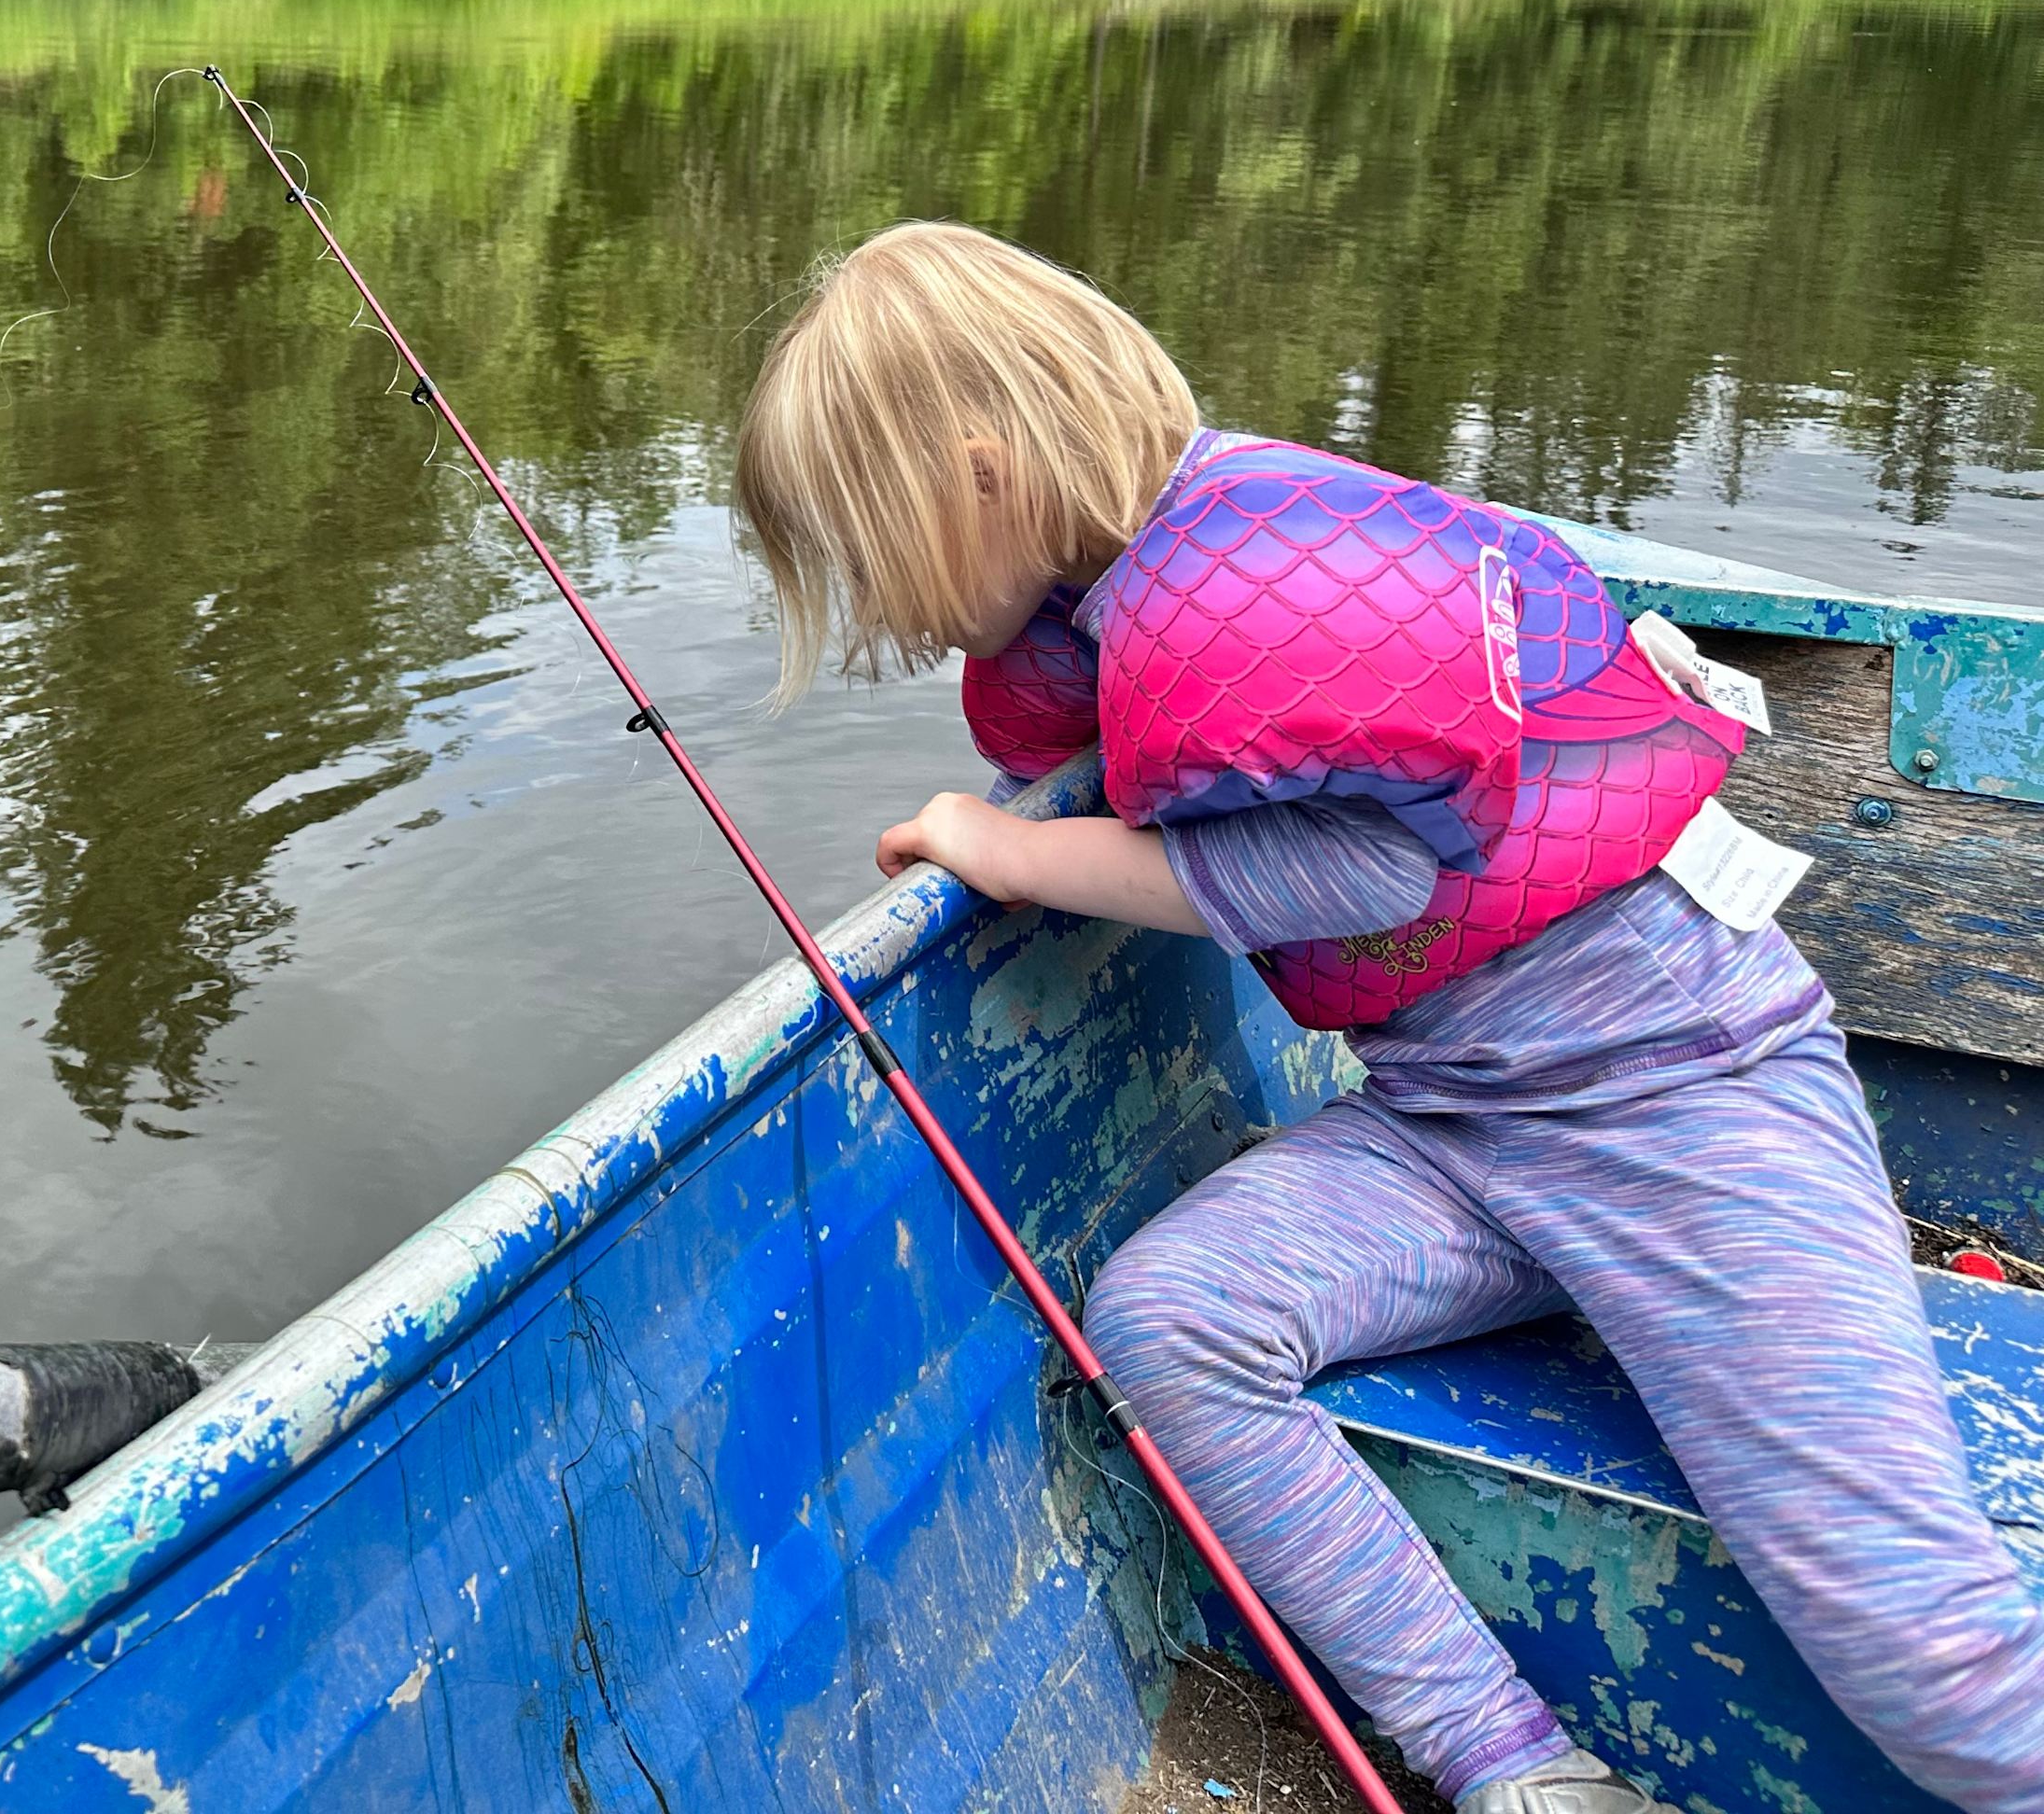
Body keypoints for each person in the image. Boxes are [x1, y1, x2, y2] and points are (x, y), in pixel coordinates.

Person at [730, 220, 2044, 1814]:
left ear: (986, 474)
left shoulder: (1233, 585)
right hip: (1455, 1122)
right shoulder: (1146, 581)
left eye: (882, 560)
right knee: (1171, 1323)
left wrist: (1007, 845)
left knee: (1936, 1667)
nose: (894, 616)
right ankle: (1518, 1770)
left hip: (1687, 1099)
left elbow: (1354, 868)